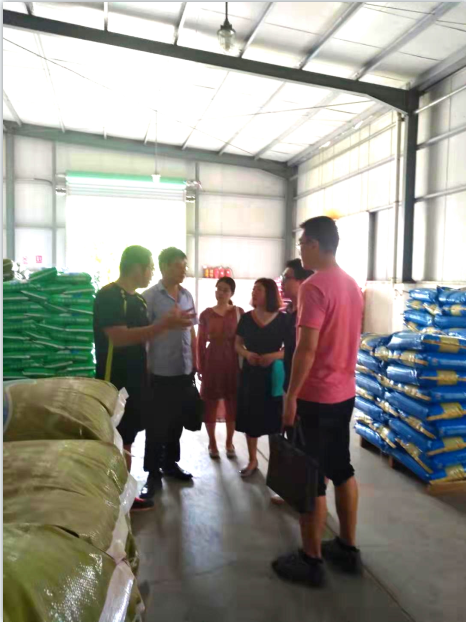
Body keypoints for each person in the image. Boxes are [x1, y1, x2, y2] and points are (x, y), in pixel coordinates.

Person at [272, 216, 364, 587]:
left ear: (314, 244)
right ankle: (347, 547)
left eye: (301, 244)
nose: (300, 251)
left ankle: (311, 560)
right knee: (341, 468)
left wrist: (291, 396)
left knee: (310, 478)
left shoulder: (314, 287)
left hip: (315, 396)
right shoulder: (351, 285)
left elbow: (307, 349)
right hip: (344, 393)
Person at [93, 245, 194, 512]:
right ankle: (112, 499)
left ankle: (124, 497)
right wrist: (164, 325)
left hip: (138, 379)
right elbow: (118, 337)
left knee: (128, 437)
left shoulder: (137, 301)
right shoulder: (110, 296)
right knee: (114, 438)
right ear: (137, 268)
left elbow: (143, 341)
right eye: (150, 267)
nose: (151, 273)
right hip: (114, 380)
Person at [140, 247, 198, 500]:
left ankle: (170, 463)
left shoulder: (186, 295)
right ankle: (153, 472)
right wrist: (145, 367)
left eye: (184, 265)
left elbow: (192, 330)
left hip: (183, 369)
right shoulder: (150, 297)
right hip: (159, 371)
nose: (183, 270)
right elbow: (143, 335)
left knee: (177, 422)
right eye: (177, 265)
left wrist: (196, 361)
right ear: (163, 266)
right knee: (157, 424)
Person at [270, 259, 313, 506]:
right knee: (292, 437)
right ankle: (296, 489)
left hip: (305, 386)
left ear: (302, 281)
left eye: (287, 278)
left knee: (305, 440)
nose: (283, 282)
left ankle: (310, 491)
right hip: (290, 381)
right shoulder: (289, 313)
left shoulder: (309, 314)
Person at [235, 278, 287, 478]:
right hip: (251, 373)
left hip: (274, 374)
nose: (254, 292)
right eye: (253, 289)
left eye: (259, 289)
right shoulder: (246, 318)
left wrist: (273, 356)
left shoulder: (283, 320)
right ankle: (252, 460)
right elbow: (237, 344)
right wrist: (247, 354)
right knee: (251, 417)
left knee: (274, 419)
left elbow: (290, 350)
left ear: (270, 294)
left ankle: (276, 464)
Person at [198, 277, 244, 460]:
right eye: (218, 289)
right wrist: (200, 365)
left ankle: (229, 442)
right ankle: (212, 443)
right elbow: (200, 342)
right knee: (210, 402)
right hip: (212, 361)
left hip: (233, 361)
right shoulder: (206, 314)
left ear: (232, 293)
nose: (221, 293)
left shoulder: (239, 313)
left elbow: (244, 339)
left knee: (232, 402)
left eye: (225, 290)